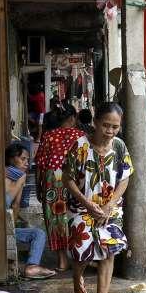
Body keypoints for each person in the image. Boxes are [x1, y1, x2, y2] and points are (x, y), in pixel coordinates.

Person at [63, 102, 133, 293]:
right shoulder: (80, 146)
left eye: (115, 127)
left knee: (108, 250)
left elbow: (125, 178)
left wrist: (109, 205)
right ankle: (77, 277)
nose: (110, 131)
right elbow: (67, 179)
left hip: (108, 209)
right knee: (83, 250)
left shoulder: (119, 146)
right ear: (95, 122)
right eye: (106, 125)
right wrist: (87, 203)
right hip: (82, 207)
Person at [34, 105, 85, 272]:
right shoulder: (81, 136)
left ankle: (62, 260)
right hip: (75, 179)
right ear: (72, 119)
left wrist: (39, 186)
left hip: (53, 180)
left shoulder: (48, 136)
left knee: (55, 219)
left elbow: (40, 165)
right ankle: (80, 257)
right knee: (75, 216)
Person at [5, 143, 56, 279]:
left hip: (2, 228)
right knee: (38, 234)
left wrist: (11, 231)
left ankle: (32, 266)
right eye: (23, 159)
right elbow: (15, 205)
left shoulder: (17, 175)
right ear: (11, 159)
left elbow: (16, 206)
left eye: (28, 160)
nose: (27, 163)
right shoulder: (11, 175)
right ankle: (32, 266)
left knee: (38, 233)